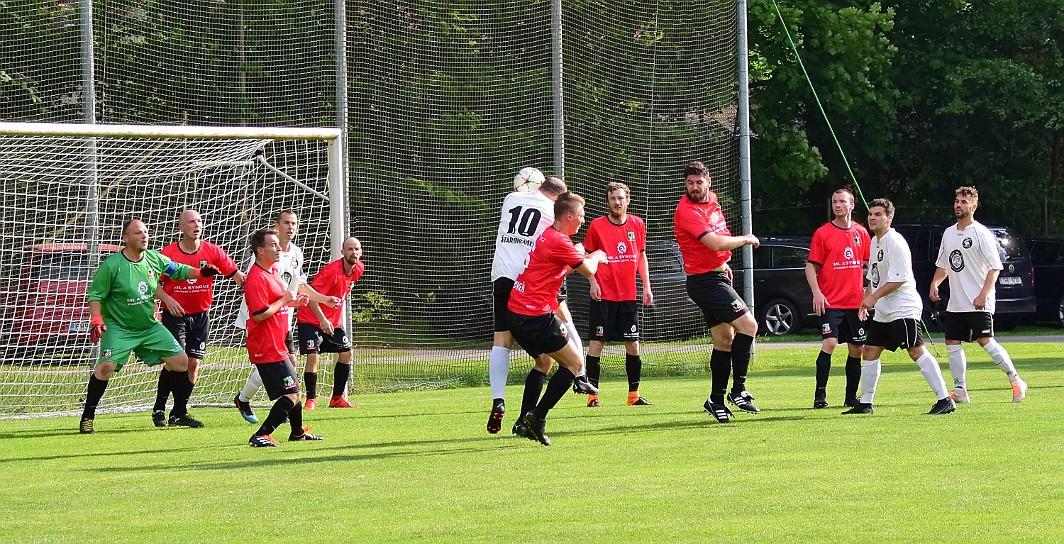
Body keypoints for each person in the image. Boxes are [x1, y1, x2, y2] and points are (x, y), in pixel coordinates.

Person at [78, 218, 221, 434]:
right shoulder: (112, 265)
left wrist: (201, 273)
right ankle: (88, 417)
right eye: (137, 233)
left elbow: (179, 270)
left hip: (149, 327)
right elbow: (96, 296)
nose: (144, 236)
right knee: (105, 368)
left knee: (182, 363)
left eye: (145, 232)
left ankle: (178, 413)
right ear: (126, 238)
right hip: (119, 328)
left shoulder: (154, 258)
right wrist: (96, 320)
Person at [486, 173, 592, 435]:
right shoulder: (551, 213)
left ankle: (500, 400)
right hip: (530, 284)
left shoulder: (511, 199)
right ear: (560, 203)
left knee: (505, 343)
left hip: (502, 276)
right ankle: (580, 376)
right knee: (565, 322)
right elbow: (564, 250)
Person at [511, 192, 607, 446]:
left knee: (544, 362)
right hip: (535, 315)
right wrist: (595, 255)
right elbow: (587, 270)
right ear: (569, 216)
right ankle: (537, 418)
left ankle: (523, 421)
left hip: (517, 310)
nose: (583, 221)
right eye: (581, 216)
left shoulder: (549, 236)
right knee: (575, 365)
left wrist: (578, 254)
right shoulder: (558, 240)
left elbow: (558, 266)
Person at [844, 198, 955, 415]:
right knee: (871, 350)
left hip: (902, 308)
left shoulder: (895, 241)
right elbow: (874, 276)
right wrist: (866, 300)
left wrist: (873, 298)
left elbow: (899, 279)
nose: (872, 218)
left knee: (915, 351)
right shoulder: (875, 242)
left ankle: (944, 399)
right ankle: (866, 403)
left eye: (878, 214)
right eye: (871, 214)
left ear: (889, 218)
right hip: (884, 311)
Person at [673, 161, 761, 423]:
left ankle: (715, 399)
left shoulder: (712, 200)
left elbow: (717, 240)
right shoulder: (686, 211)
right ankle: (738, 389)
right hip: (705, 283)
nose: (694, 187)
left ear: (708, 182)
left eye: (699, 182)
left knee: (724, 340)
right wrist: (747, 238)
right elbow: (714, 242)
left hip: (716, 276)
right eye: (689, 183)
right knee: (750, 326)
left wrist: (722, 264)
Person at [232, 210, 341, 422]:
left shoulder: (296, 253)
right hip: (262, 318)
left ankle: (270, 406)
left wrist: (324, 298)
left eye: (294, 223)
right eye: (286, 223)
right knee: (278, 363)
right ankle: (278, 408)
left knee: (285, 363)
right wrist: (280, 303)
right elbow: (255, 288)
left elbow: (299, 285)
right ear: (277, 225)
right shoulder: (263, 255)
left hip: (284, 317)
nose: (291, 227)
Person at [930, 186, 1027, 403]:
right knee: (952, 341)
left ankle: (1016, 380)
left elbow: (995, 267)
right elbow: (944, 264)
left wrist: (984, 294)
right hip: (956, 302)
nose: (958, 205)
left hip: (978, 300)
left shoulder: (981, 233)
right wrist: (935, 283)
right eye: (957, 201)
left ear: (974, 206)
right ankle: (960, 390)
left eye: (964, 202)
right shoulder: (948, 233)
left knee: (985, 340)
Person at [152, 210, 244, 428]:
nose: (197, 225)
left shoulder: (213, 251)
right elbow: (152, 282)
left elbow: (237, 275)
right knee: (177, 363)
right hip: (175, 316)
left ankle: (179, 412)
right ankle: (159, 408)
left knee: (193, 364)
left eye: (199, 221)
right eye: (191, 221)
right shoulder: (168, 254)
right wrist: (168, 300)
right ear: (181, 228)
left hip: (201, 316)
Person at [242, 228, 321, 446]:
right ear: (260, 250)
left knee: (294, 387)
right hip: (265, 345)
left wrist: (293, 302)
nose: (278, 248)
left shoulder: (273, 271)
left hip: (277, 341)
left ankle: (297, 432)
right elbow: (259, 315)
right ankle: (261, 434)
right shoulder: (256, 278)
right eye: (273, 245)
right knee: (293, 393)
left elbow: (277, 303)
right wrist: (284, 299)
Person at [582, 181, 654, 407]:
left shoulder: (637, 224)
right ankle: (592, 396)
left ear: (628, 200)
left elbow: (641, 256)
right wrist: (592, 281)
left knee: (633, 345)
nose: (617, 202)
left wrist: (647, 286)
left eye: (621, 198)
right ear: (608, 201)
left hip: (628, 296)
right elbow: (585, 256)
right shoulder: (596, 226)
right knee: (596, 344)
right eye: (613, 198)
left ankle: (634, 396)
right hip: (603, 295)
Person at [804, 188, 871, 409]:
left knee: (857, 349)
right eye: (834, 201)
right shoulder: (822, 233)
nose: (838, 205)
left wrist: (868, 296)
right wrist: (817, 293)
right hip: (831, 302)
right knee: (830, 342)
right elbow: (810, 266)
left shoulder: (861, 233)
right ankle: (819, 396)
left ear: (852, 205)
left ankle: (851, 397)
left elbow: (872, 267)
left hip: (855, 303)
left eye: (842, 201)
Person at [295, 237, 365, 409]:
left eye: (356, 249)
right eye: (349, 249)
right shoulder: (331, 272)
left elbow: (344, 292)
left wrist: (335, 318)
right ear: (342, 252)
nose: (353, 252)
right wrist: (322, 319)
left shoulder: (358, 269)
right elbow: (311, 296)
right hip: (310, 318)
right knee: (313, 356)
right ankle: (311, 399)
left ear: (361, 252)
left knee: (347, 352)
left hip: (332, 321)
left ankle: (337, 398)